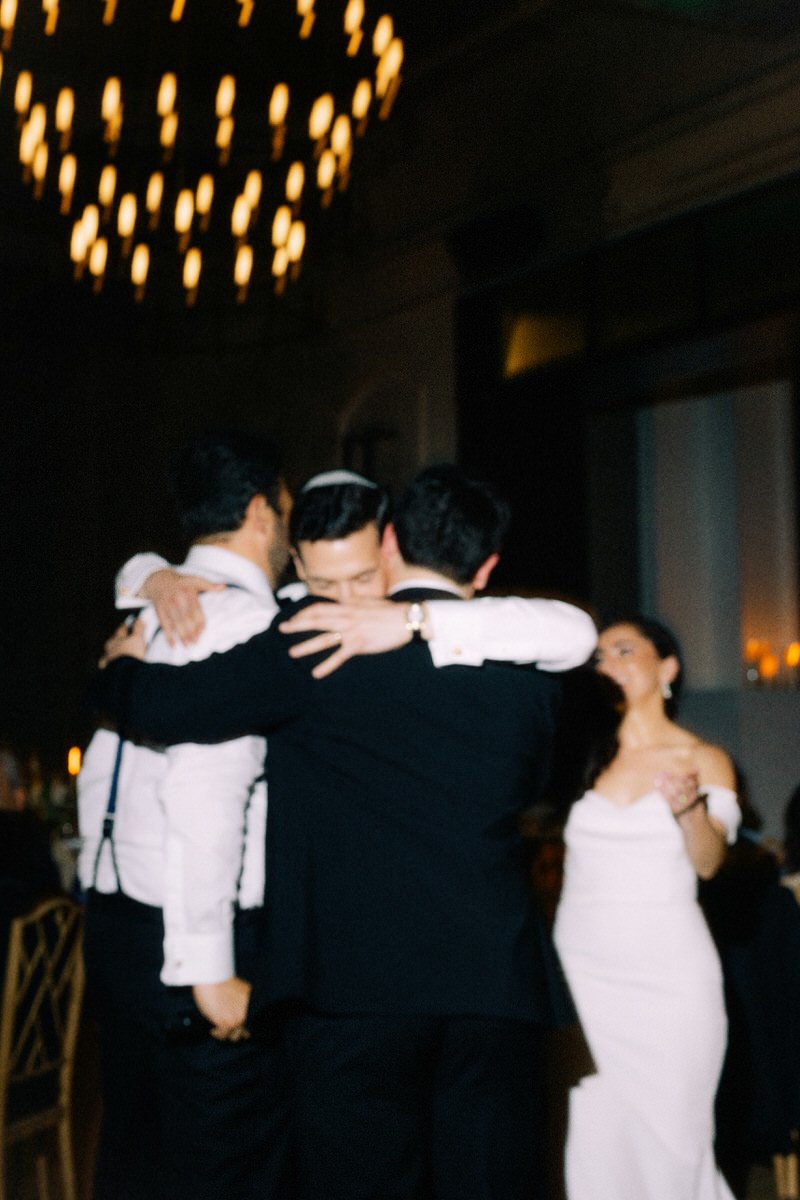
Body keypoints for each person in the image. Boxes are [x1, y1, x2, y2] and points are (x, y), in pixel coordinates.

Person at [92, 464, 596, 1200]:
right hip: (492, 985)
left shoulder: (314, 646)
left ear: (387, 542)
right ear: (486, 569)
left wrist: (114, 672)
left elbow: (174, 710)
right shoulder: (530, 674)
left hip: (350, 988)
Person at [77, 430, 293, 1200]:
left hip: (115, 931)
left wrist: (145, 571)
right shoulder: (238, 624)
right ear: (262, 512)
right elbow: (205, 794)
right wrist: (210, 972)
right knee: (227, 1167)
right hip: (192, 938)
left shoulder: (146, 610)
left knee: (134, 1158)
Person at [552, 616, 741, 1200]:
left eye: (625, 650)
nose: (609, 663)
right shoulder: (577, 758)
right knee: (595, 1147)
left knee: (674, 1148)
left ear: (668, 668)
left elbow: (709, 863)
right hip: (583, 978)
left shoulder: (702, 758)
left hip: (669, 980)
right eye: (600, 656)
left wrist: (688, 811)